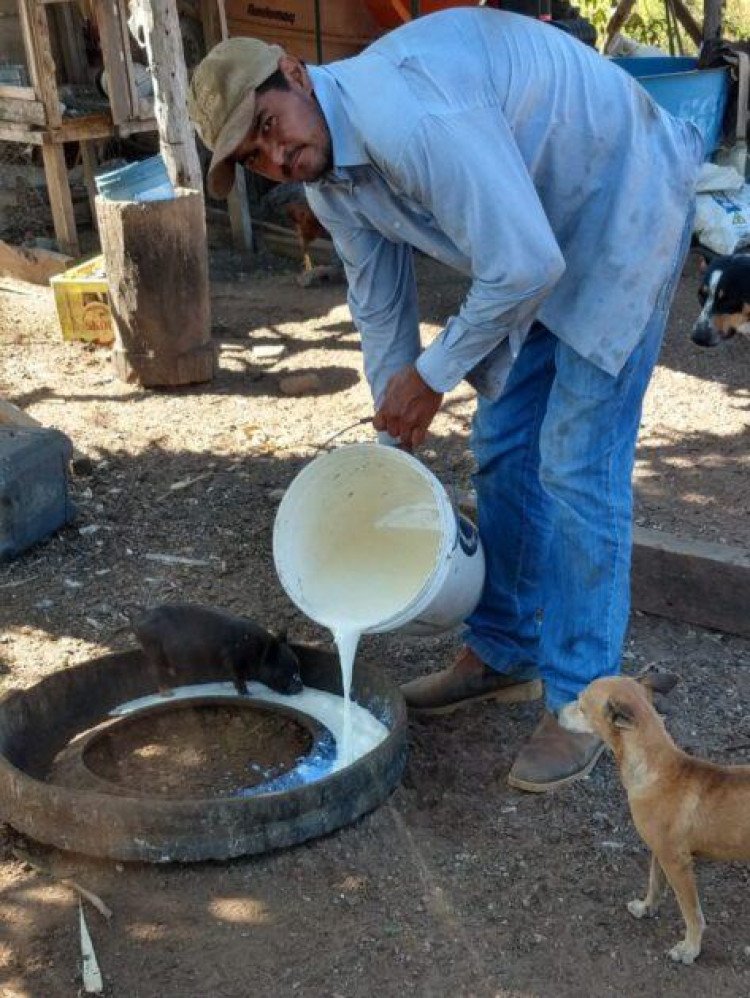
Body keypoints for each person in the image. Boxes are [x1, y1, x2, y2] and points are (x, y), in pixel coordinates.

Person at [188, 8, 702, 792]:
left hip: (621, 196)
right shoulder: (328, 179)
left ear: (293, 73)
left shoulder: (406, 116)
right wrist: (391, 434)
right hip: (540, 232)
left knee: (573, 462)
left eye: (269, 124)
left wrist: (430, 378)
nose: (277, 154)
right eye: (253, 154)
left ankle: (584, 699)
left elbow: (523, 263)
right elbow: (379, 301)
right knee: (501, 444)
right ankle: (504, 649)